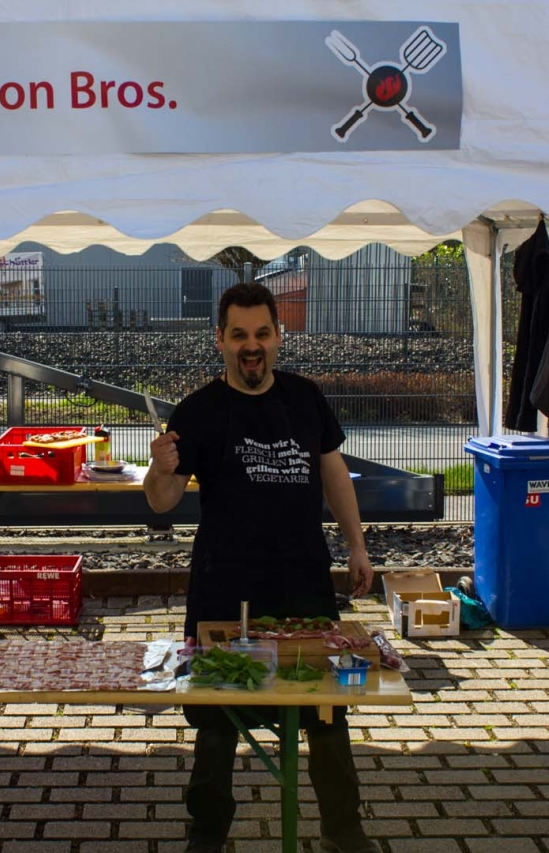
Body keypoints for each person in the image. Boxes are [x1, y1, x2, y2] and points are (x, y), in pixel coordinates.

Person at [144, 281, 377, 853]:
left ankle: (344, 832)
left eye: (262, 334)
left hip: (303, 582)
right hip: (225, 587)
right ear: (220, 339)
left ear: (278, 337)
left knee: (326, 711)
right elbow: (162, 501)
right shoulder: (198, 411)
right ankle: (207, 835)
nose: (252, 346)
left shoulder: (305, 398)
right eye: (239, 335)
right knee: (217, 718)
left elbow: (333, 473)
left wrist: (357, 545)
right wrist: (159, 467)